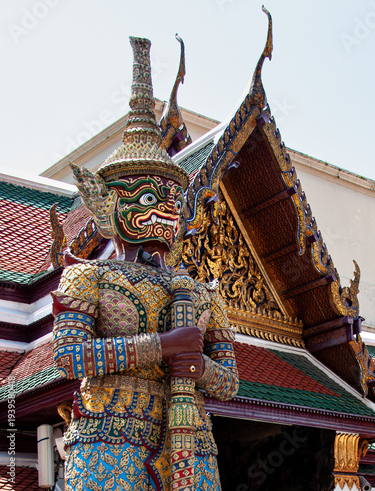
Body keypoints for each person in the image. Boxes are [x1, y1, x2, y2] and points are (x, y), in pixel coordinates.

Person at [52, 36, 239, 491]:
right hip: (107, 440)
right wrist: (165, 345)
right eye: (150, 198)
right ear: (109, 204)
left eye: (172, 200)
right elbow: (69, 357)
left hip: (188, 444)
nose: (164, 213)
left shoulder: (196, 291)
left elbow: (230, 381)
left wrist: (198, 369)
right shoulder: (89, 276)